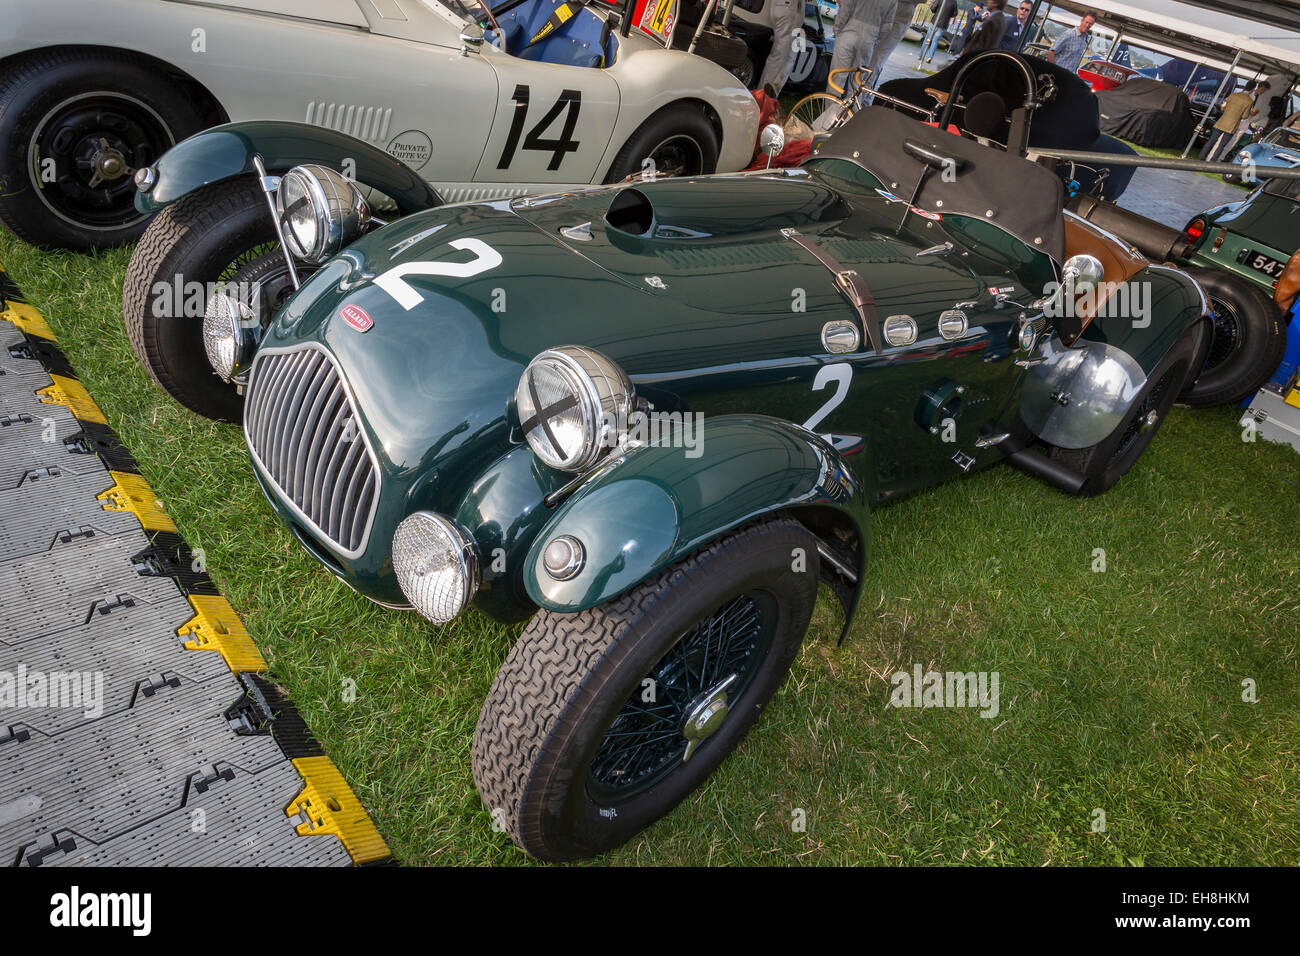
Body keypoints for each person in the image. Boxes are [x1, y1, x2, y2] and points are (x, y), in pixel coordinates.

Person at [826, 0, 899, 92]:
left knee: (837, 76)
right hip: (869, 39)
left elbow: (845, 10)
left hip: (848, 33)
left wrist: (837, 30)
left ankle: (832, 105)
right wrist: (875, 39)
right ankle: (853, 106)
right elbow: (887, 26)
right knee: (857, 82)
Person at [759, 0, 807, 95]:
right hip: (788, 8)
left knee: (786, 58)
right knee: (778, 58)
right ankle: (762, 97)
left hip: (786, 8)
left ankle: (767, 96)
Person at [1206, 82, 1260, 162]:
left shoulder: (1234, 94)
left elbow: (1223, 107)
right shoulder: (1249, 99)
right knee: (1224, 143)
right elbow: (1245, 115)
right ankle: (1215, 159)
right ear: (1254, 88)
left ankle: (1210, 158)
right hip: (1237, 123)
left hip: (1228, 121)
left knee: (1218, 141)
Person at [1046, 9, 1096, 74]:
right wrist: (1053, 71)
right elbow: (1051, 52)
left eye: (1090, 24)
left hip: (1068, 75)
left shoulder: (1086, 37)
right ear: (1082, 21)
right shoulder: (1069, 34)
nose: (1087, 25)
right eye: (1086, 22)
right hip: (1057, 72)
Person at [919, 0, 958, 65]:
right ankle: (930, 57)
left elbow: (932, 8)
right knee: (935, 41)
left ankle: (920, 56)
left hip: (934, 22)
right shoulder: (954, 2)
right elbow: (955, 14)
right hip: (943, 25)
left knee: (927, 39)